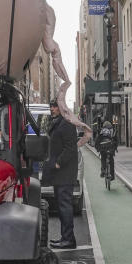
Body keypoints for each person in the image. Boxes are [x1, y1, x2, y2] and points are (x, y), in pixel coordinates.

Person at [45, 99, 78, 249]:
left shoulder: (67, 123)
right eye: (51, 106)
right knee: (61, 205)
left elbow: (71, 148)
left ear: (61, 108)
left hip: (64, 172)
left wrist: (59, 162)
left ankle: (69, 240)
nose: (52, 109)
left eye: (54, 106)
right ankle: (65, 237)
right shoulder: (58, 122)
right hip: (59, 173)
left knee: (65, 206)